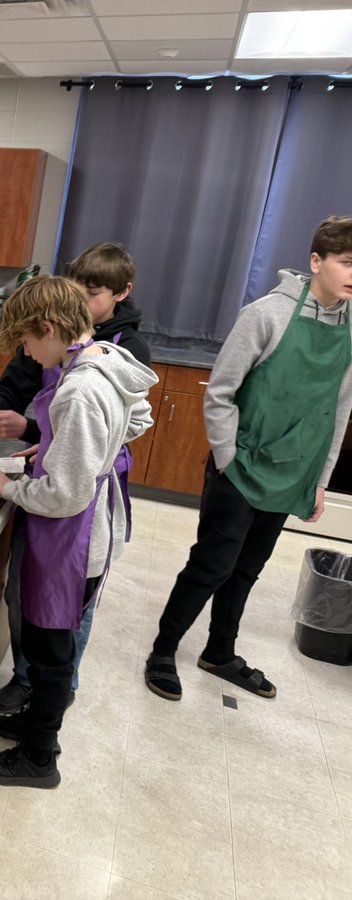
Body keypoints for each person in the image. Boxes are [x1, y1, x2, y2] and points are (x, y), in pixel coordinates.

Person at [145, 215, 352, 702]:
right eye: (347, 262)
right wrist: (227, 459)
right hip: (240, 468)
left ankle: (219, 653)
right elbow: (220, 393)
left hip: (291, 473)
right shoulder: (265, 315)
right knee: (211, 566)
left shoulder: (350, 328)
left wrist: (319, 478)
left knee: (247, 569)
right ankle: (163, 650)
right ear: (316, 261)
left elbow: (339, 409)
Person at [0, 275, 155, 788]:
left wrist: (5, 486)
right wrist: (60, 447)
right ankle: (33, 724)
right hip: (88, 520)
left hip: (74, 533)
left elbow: (66, 495)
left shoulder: (78, 388)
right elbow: (137, 417)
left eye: (27, 343)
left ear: (48, 328)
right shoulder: (100, 361)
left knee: (52, 651)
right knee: (50, 640)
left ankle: (39, 757)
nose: (28, 353)